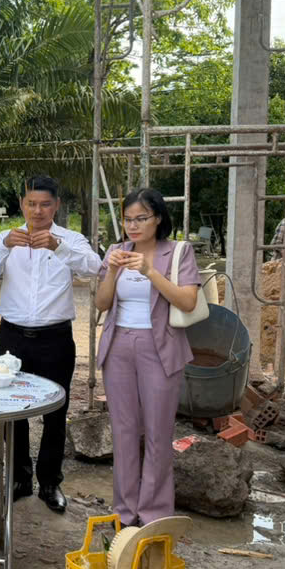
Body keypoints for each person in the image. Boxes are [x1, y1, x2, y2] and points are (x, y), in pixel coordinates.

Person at [0, 175, 101, 513]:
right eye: (31, 204)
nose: (38, 210)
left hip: (56, 338)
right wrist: (4, 245)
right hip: (13, 336)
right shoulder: (7, 238)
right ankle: (20, 477)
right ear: (22, 204)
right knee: (13, 409)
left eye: (45, 204)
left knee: (55, 411)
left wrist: (57, 247)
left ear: (56, 206)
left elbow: (95, 268)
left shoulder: (70, 239)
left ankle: (50, 482)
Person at [94, 188, 201, 526]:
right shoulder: (116, 251)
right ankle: (124, 512)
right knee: (124, 430)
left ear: (157, 218)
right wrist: (112, 271)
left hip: (160, 346)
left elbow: (187, 302)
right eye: (128, 219)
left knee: (158, 431)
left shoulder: (178, 252)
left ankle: (154, 512)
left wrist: (149, 270)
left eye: (141, 218)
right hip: (119, 345)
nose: (133, 226)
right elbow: (102, 303)